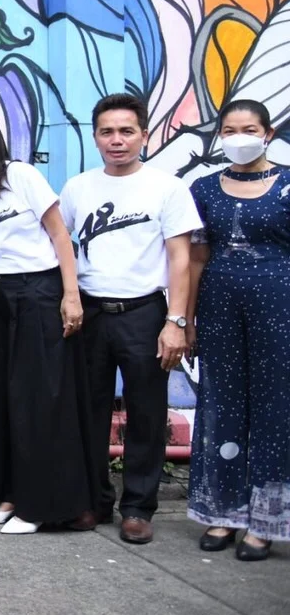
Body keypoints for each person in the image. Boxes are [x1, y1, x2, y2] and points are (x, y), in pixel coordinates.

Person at [0, 110, 96, 535]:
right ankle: (6, 495)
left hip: (37, 291)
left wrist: (71, 294)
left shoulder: (21, 175)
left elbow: (60, 234)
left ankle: (39, 505)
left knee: (36, 399)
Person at [60, 93, 199, 545]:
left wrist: (175, 322)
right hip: (90, 313)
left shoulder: (167, 188)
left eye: (126, 131)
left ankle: (138, 507)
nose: (116, 140)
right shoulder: (78, 188)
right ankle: (93, 500)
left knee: (146, 414)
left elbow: (181, 259)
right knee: (88, 412)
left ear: (144, 134)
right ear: (95, 137)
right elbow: (61, 247)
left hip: (144, 313)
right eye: (107, 132)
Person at [187, 98, 287, 561]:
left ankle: (265, 521)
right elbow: (196, 257)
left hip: (279, 306)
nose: (238, 138)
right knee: (221, 404)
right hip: (219, 307)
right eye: (229, 131)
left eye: (248, 129)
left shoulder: (287, 184)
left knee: (275, 409)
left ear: (267, 134)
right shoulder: (203, 188)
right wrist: (185, 319)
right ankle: (224, 512)